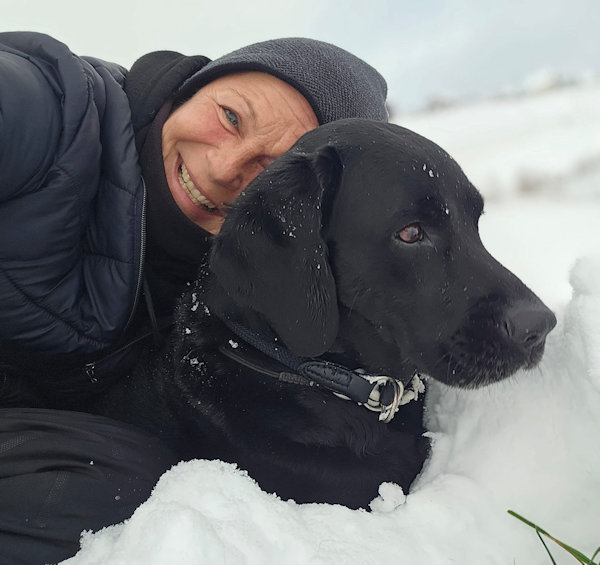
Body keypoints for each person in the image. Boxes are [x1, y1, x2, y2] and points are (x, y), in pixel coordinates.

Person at [0, 31, 388, 563]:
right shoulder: (57, 107)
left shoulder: (241, 282)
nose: (226, 168)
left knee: (140, 486)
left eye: (271, 171)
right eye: (231, 117)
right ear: (194, 86)